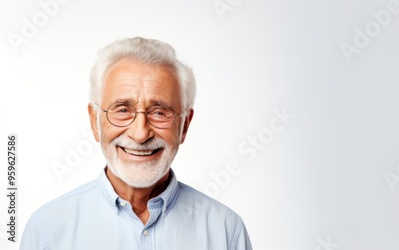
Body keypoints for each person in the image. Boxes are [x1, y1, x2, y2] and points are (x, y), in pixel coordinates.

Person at [20, 37, 252, 250]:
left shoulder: (226, 232)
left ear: (185, 125)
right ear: (95, 121)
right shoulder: (47, 230)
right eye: (122, 110)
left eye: (160, 112)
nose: (140, 134)